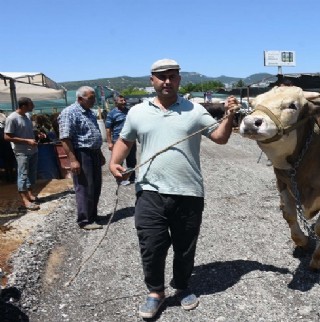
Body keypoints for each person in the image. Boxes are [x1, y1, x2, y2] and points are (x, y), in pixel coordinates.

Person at [109, 58, 236, 318]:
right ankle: (155, 292)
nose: (167, 81)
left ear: (179, 80)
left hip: (189, 191)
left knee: (184, 246)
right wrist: (114, 162)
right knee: (151, 244)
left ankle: (181, 286)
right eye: (161, 76)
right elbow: (125, 140)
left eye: (172, 76)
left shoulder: (195, 110)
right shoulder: (137, 112)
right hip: (149, 191)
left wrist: (230, 116)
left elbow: (220, 138)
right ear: (152, 80)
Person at [58, 86, 105, 230]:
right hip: (82, 153)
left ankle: (93, 215)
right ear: (79, 99)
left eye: (94, 98)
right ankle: (85, 220)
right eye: (90, 98)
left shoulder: (89, 112)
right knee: (85, 187)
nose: (93, 101)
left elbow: (94, 134)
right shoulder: (69, 113)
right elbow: (65, 138)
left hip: (94, 152)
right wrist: (73, 160)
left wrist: (100, 153)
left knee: (95, 186)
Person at [3, 97, 44, 210]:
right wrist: (26, 141)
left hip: (33, 150)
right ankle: (24, 200)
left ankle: (30, 195)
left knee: (32, 174)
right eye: (31, 105)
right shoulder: (12, 118)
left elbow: (29, 130)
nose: (33, 107)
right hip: (21, 152)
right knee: (23, 175)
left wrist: (38, 134)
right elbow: (7, 137)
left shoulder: (27, 116)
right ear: (24, 106)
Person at [105, 95, 136, 185]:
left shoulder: (129, 112)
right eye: (121, 100)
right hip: (118, 141)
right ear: (115, 102)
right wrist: (110, 143)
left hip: (131, 140)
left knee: (132, 160)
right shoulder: (112, 114)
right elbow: (108, 129)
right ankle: (120, 179)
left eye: (124, 100)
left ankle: (132, 178)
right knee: (119, 161)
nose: (124, 102)